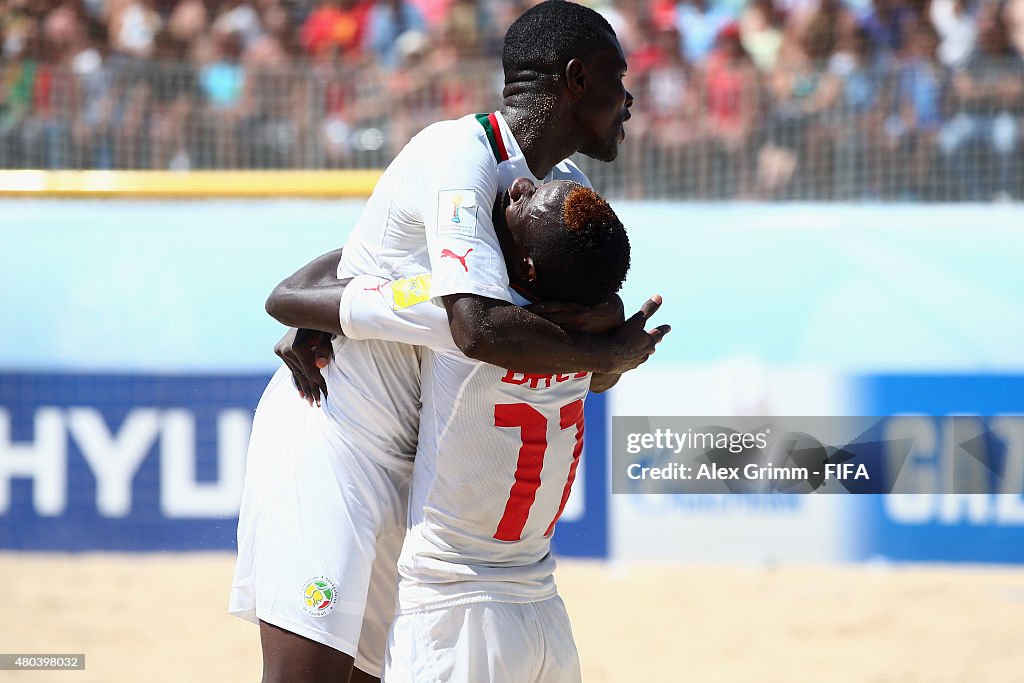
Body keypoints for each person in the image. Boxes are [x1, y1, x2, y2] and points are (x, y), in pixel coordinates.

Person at [232, 2, 666, 682]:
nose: (631, 97)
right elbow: (479, 327)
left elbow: (582, 332)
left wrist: (602, 342)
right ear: (577, 79)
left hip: (415, 471)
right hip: (336, 435)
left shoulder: (563, 193)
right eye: (621, 76)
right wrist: (603, 353)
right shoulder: (458, 155)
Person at [336, 178, 639, 682]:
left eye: (526, 203)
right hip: (545, 617)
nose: (517, 186)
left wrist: (305, 326)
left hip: (457, 618)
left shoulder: (454, 310)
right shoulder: (596, 330)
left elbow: (293, 296)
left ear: (527, 267)